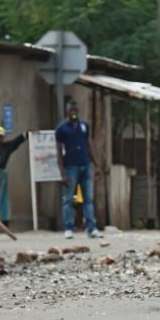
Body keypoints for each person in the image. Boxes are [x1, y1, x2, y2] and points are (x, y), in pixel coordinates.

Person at [56, 101, 102, 239]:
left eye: (76, 110)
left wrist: (96, 165)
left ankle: (91, 228)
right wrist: (62, 172)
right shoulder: (61, 129)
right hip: (71, 166)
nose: (74, 113)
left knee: (88, 198)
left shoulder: (84, 126)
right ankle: (68, 227)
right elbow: (59, 151)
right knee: (68, 198)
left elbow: (89, 145)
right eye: (71, 110)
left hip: (85, 165)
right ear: (67, 112)